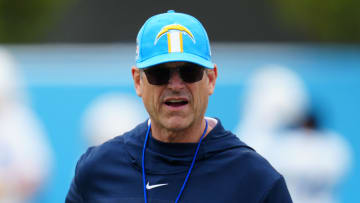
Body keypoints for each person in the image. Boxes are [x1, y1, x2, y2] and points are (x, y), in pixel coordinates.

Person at [66, 10, 292, 203]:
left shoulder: (255, 180)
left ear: (211, 79)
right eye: (160, 73)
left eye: (189, 72)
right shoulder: (98, 169)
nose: (175, 85)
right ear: (138, 82)